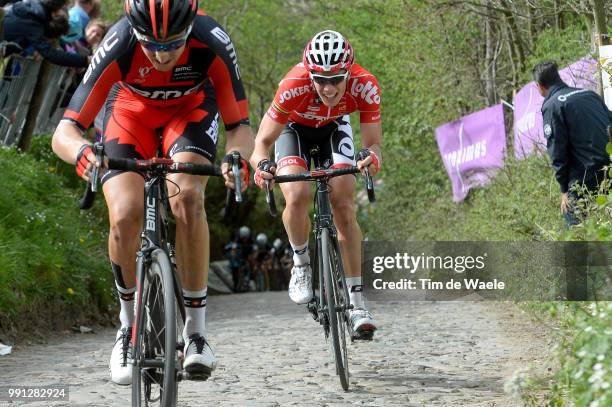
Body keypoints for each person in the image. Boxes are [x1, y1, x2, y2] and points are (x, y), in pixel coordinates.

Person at [51, 0, 253, 385]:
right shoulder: (119, 42)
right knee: (125, 213)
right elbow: (65, 131)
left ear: (190, 29)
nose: (162, 55)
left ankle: (195, 332)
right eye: (152, 45)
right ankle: (127, 329)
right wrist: (82, 155)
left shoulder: (212, 41)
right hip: (129, 114)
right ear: (135, 31)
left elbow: (240, 126)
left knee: (189, 198)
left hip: (190, 111)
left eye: (173, 45)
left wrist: (236, 158)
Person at [250, 30, 381, 339]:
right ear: (309, 74)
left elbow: (373, 144)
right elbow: (260, 145)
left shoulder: (366, 85)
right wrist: (261, 168)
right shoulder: (292, 85)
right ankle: (301, 263)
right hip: (293, 131)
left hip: (335, 128)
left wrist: (370, 159)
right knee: (296, 195)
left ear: (348, 73)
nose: (328, 88)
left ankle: (357, 304)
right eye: (320, 79)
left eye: (336, 79)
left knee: (344, 204)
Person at [533, 61, 612, 226]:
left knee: (575, 227)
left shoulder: (552, 106)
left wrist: (564, 190)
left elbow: (557, 152)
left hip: (585, 177)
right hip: (609, 167)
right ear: (558, 77)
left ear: (539, 86)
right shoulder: (588, 93)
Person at [2, 0, 89, 67]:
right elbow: (51, 54)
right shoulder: (34, 21)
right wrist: (85, 60)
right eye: (63, 8)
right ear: (56, 11)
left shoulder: (32, 10)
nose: (65, 11)